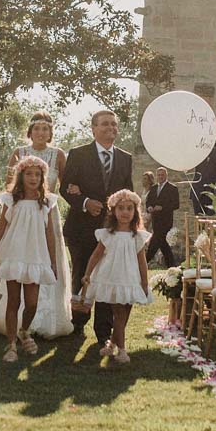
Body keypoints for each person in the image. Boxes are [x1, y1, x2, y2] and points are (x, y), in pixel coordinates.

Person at [0, 156, 62, 362]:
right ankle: (11, 344)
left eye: (37, 174)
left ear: (42, 178)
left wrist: (53, 261)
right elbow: (0, 229)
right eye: (29, 174)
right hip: (14, 253)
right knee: (13, 301)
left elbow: (50, 234)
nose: (33, 178)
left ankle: (24, 330)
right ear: (21, 176)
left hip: (36, 255)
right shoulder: (11, 200)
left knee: (32, 303)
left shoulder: (46, 202)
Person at [60, 110, 134, 344]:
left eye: (114, 125)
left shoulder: (125, 158)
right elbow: (65, 188)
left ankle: (104, 331)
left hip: (110, 231)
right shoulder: (78, 154)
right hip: (80, 228)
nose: (110, 128)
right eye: (104, 124)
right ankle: (77, 323)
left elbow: (127, 194)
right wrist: (84, 202)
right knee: (82, 274)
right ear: (93, 128)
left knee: (106, 277)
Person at [79, 190, 151, 364]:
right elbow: (96, 255)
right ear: (113, 211)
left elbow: (142, 262)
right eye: (121, 208)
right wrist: (88, 273)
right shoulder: (107, 234)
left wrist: (144, 282)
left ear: (135, 212)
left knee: (125, 313)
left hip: (130, 279)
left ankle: (111, 344)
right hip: (112, 277)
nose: (125, 212)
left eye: (129, 209)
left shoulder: (137, 236)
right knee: (118, 312)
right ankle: (122, 350)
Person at [8, 112, 67, 191]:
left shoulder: (59, 155)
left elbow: (65, 186)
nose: (40, 133)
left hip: (48, 202)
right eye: (36, 128)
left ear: (50, 133)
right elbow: (9, 185)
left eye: (45, 129)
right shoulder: (18, 153)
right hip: (21, 202)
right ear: (30, 132)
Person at [144, 167, 180, 266]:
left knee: (155, 242)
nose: (160, 177)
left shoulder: (172, 188)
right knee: (163, 244)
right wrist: (149, 207)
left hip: (166, 221)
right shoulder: (154, 188)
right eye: (159, 175)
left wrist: (163, 207)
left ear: (166, 175)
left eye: (162, 175)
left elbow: (176, 204)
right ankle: (172, 266)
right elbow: (148, 201)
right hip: (155, 221)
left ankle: (143, 263)